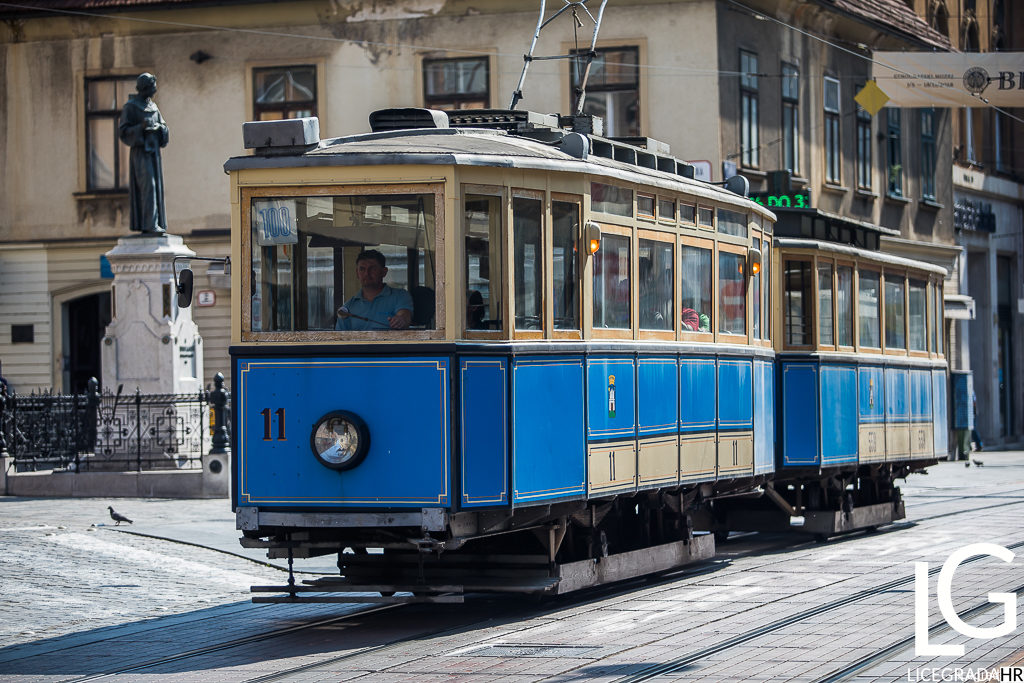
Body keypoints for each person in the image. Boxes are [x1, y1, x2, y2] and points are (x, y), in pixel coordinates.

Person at [119, 73, 169, 234]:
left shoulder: (154, 107)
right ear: (145, 87)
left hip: (154, 154)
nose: (155, 90)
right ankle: (149, 224)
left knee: (156, 189)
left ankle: (155, 222)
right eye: (153, 86)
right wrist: (140, 127)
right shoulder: (131, 107)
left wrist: (159, 129)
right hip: (141, 153)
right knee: (148, 187)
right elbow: (124, 132)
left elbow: (164, 129)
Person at [336, 250, 413, 331]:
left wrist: (401, 320)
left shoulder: (400, 296)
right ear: (357, 273)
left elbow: (405, 316)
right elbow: (338, 337)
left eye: (372, 269)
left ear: (384, 272)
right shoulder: (348, 307)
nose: (367, 273)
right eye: (362, 269)